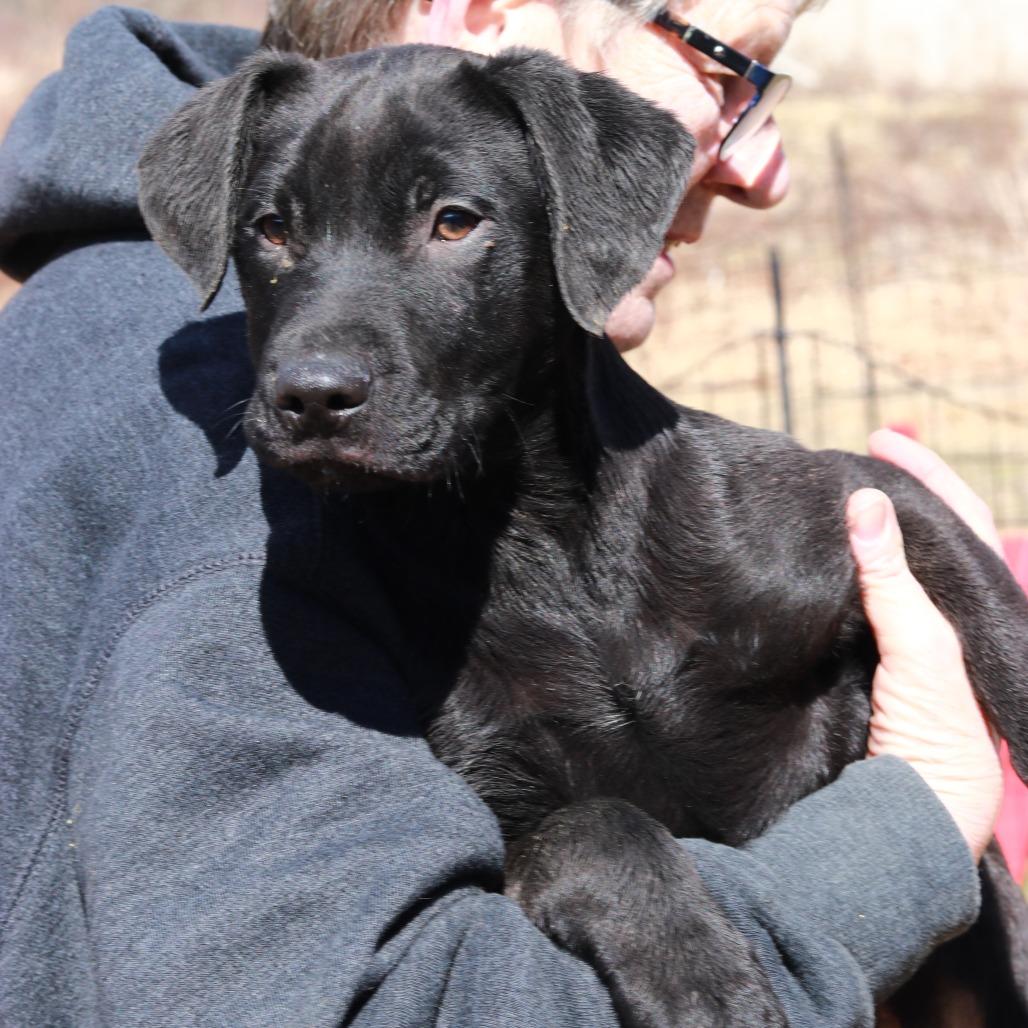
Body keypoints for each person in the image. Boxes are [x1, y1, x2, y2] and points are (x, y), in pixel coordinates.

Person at [0, 2, 1008, 1025]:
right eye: (719, 65)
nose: (759, 168)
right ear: (479, 13)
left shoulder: (91, 333)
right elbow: (393, 998)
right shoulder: (234, 508)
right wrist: (911, 819)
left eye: (445, 221)